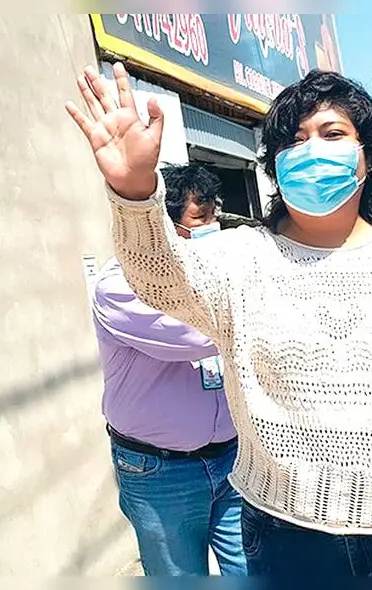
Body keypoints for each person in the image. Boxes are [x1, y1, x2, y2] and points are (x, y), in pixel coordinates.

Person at [68, 63, 372, 577]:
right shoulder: (240, 258)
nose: (313, 150)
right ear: (275, 167)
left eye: (333, 133)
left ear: (367, 154)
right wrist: (136, 193)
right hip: (288, 539)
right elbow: (156, 277)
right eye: (294, 141)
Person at [92, 163, 245, 577]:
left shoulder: (211, 273)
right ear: (165, 226)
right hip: (160, 471)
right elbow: (196, 335)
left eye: (214, 217)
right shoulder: (120, 285)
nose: (211, 229)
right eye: (200, 220)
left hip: (232, 458)